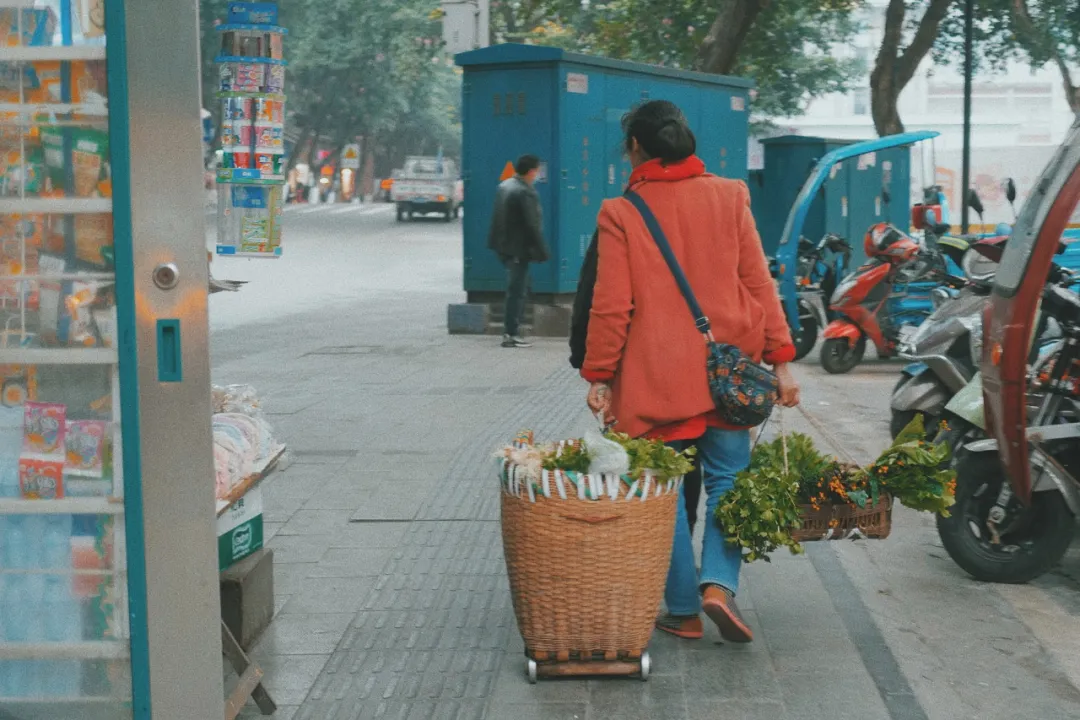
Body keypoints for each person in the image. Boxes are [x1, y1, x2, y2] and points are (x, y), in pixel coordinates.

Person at [581, 100, 800, 644]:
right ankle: (719, 585)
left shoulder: (621, 212)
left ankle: (682, 610)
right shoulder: (730, 195)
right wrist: (782, 360)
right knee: (728, 477)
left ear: (636, 146)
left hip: (656, 380)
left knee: (664, 491)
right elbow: (758, 280)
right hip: (730, 373)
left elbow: (611, 304)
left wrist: (599, 374)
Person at [488, 154, 549, 348]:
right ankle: (511, 334)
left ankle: (512, 331)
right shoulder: (525, 191)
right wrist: (542, 250)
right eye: (537, 170)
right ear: (531, 171)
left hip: (503, 246)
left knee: (520, 288)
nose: (538, 174)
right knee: (517, 291)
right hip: (517, 249)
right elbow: (532, 224)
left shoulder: (505, 185)